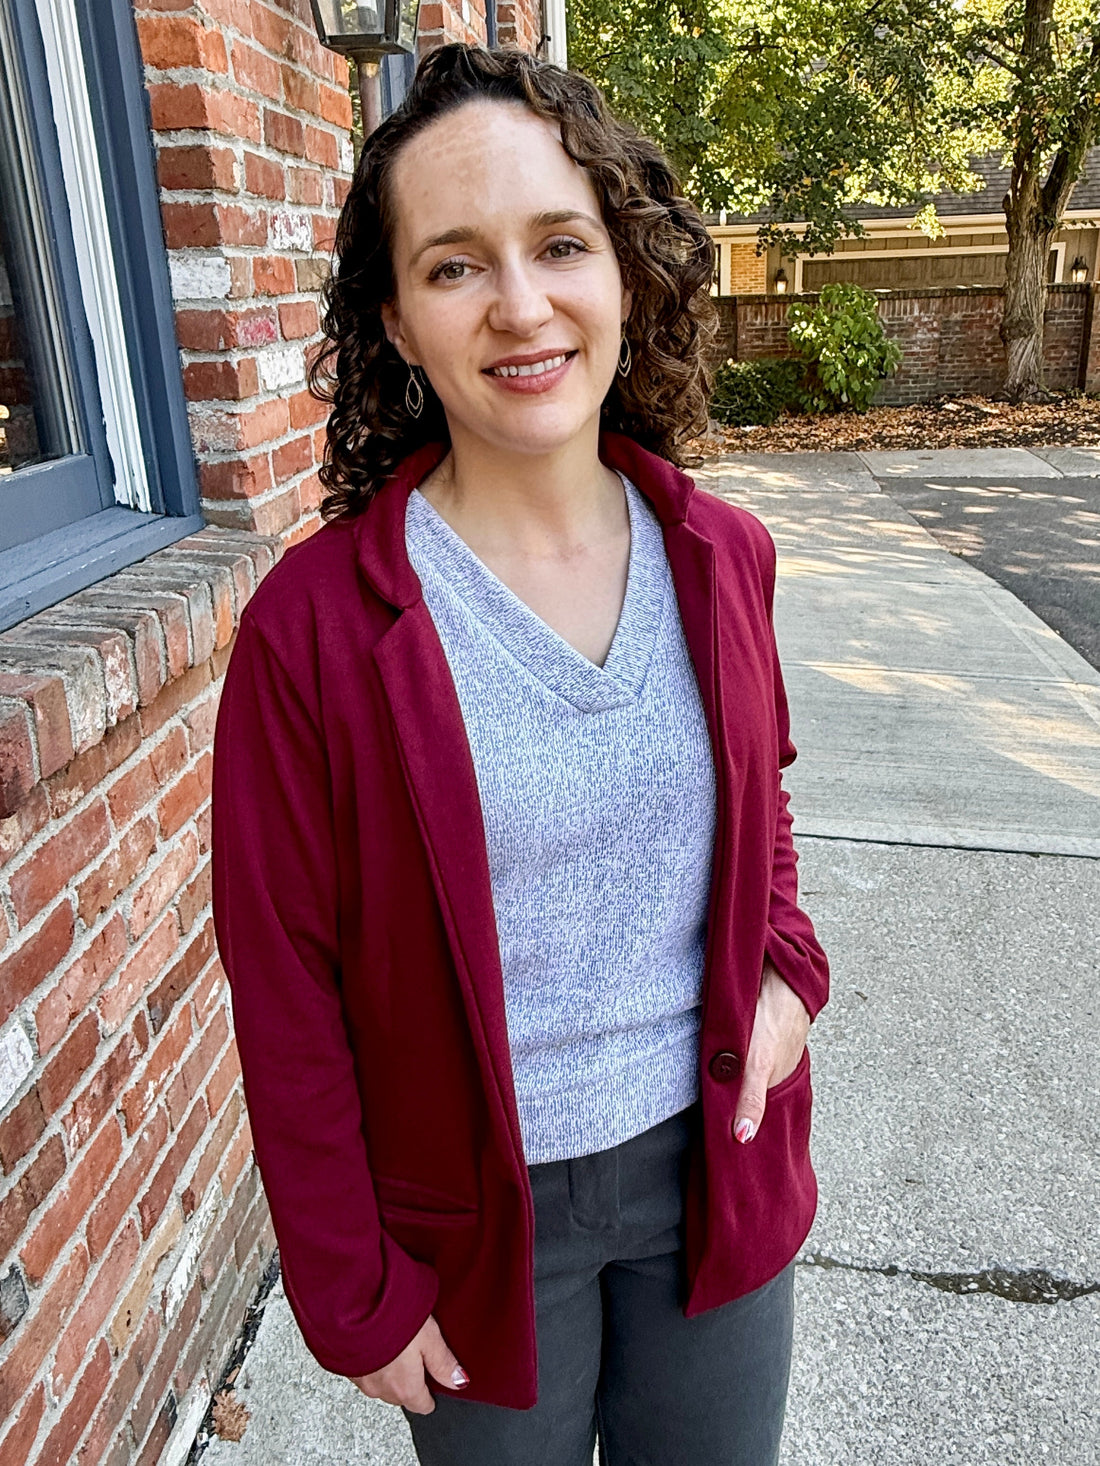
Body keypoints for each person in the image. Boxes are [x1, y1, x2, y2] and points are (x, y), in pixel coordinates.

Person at [210, 41, 830, 1466]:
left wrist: (789, 970)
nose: (521, 304)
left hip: (717, 1170)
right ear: (397, 323)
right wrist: (350, 1290)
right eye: (453, 265)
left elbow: (764, 804)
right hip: (475, 1222)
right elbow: (285, 981)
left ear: (625, 272)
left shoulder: (723, 556)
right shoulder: (317, 632)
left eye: (560, 243)